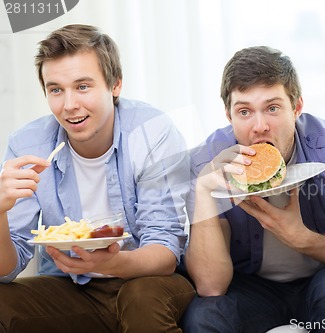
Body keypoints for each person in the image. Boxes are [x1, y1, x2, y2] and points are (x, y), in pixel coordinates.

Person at [0, 24, 195, 333]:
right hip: (75, 287)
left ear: (115, 85)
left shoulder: (151, 131)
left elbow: (165, 250)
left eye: (83, 86)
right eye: (56, 89)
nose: (69, 105)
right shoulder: (26, 145)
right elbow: (7, 271)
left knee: (141, 298)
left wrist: (109, 264)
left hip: (149, 280)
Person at [181, 46, 325, 333]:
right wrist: (204, 191)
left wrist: (302, 239)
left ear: (296, 108)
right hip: (252, 287)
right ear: (228, 116)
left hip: (323, 278)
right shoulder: (207, 162)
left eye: (272, 108)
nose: (260, 127)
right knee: (203, 315)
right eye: (244, 111)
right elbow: (211, 286)